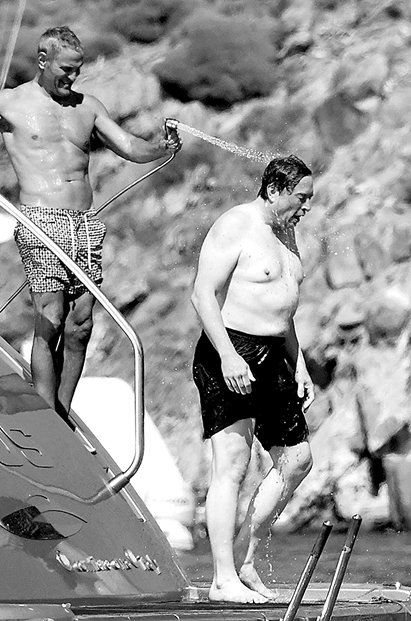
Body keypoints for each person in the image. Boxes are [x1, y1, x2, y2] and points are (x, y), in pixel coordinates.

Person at [0, 26, 181, 421]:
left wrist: (160, 147)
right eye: (66, 69)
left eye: (78, 69)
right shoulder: (10, 103)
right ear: (43, 61)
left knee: (80, 325)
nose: (73, 77)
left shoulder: (89, 107)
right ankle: (43, 410)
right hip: (40, 220)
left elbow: (129, 147)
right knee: (51, 317)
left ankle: (62, 413)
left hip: (84, 223)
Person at [191, 155, 315, 604]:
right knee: (233, 464)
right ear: (275, 189)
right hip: (231, 351)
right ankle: (222, 579)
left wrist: (299, 363)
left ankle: (245, 560)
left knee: (298, 459)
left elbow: (283, 307)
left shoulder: (286, 232)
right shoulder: (235, 225)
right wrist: (227, 356)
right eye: (301, 197)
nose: (306, 207)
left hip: (275, 355)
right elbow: (202, 294)